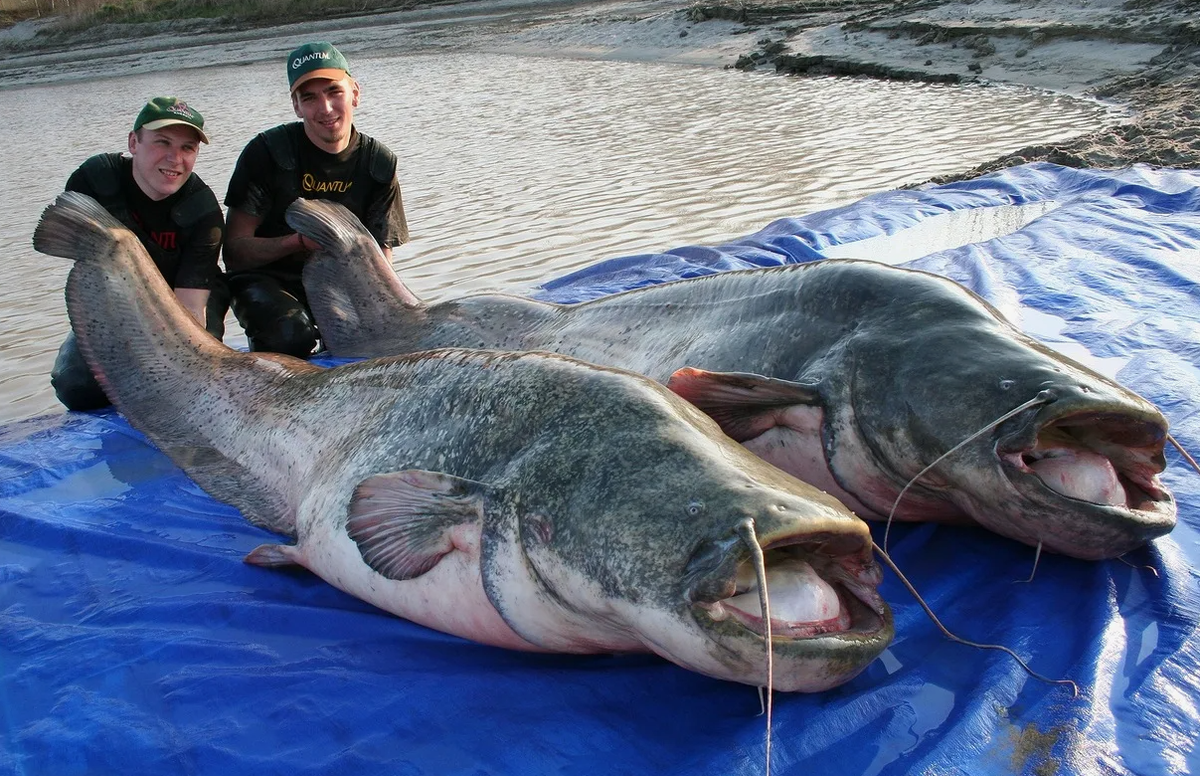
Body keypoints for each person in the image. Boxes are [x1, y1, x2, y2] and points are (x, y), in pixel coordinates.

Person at [223, 41, 409, 358]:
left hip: (343, 279)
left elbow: (382, 259)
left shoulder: (379, 163)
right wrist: (296, 242)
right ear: (296, 106)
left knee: (393, 333)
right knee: (290, 336)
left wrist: (382, 313)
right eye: (309, 98)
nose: (324, 108)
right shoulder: (267, 153)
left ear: (355, 93)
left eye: (334, 92)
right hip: (270, 279)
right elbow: (235, 253)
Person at [51, 96, 226, 411]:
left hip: (180, 302)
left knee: (189, 377)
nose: (175, 158)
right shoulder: (94, 181)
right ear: (134, 142)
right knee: (77, 387)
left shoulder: (204, 213)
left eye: (188, 148)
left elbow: (190, 307)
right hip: (113, 303)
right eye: (162, 142)